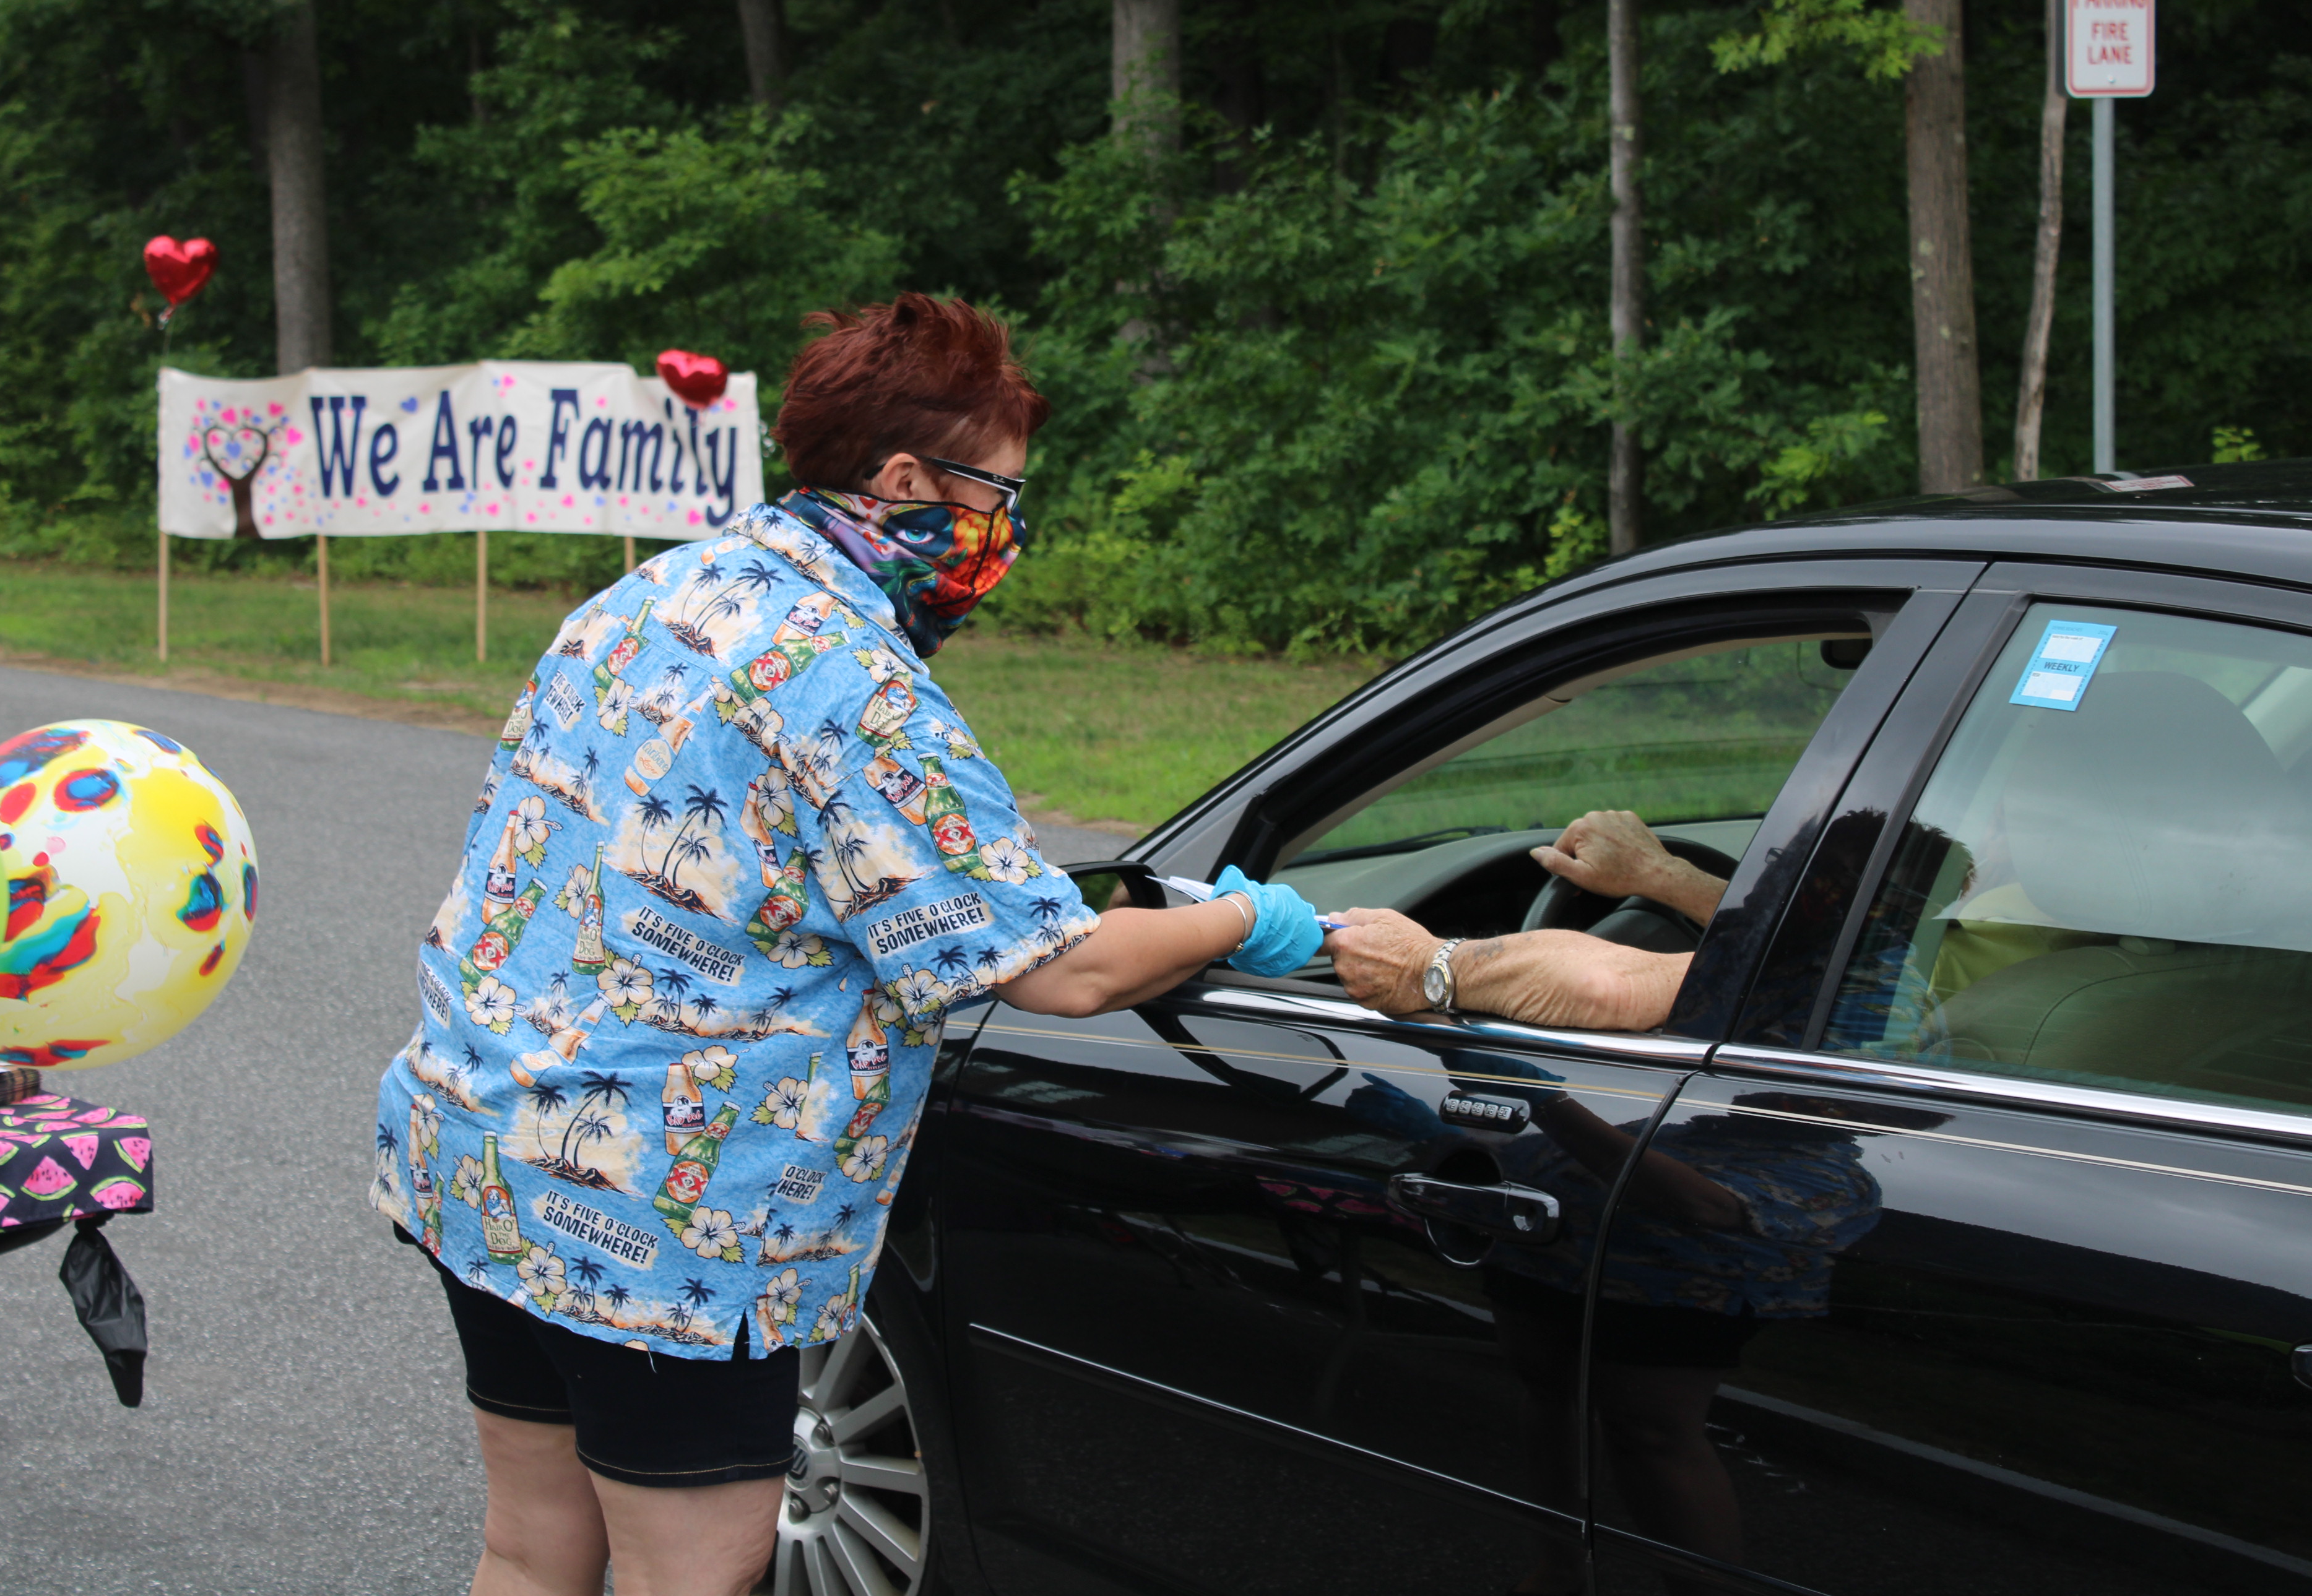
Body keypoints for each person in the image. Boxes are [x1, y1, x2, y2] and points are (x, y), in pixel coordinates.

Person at [370, 293, 1323, 1596]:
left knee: (531, 1549)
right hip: (664, 1213)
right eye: (998, 496)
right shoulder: (852, 681)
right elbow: (1059, 966)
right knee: (686, 1572)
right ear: (902, 480)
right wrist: (1249, 917)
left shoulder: (663, 587)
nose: (1007, 531)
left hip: (482, 1145)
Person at [1327, 808, 1725, 1028]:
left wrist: (1424, 968)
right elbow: (1781, 930)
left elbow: (1604, 988)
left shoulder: (1784, 979)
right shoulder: (1788, 958)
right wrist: (1660, 873)